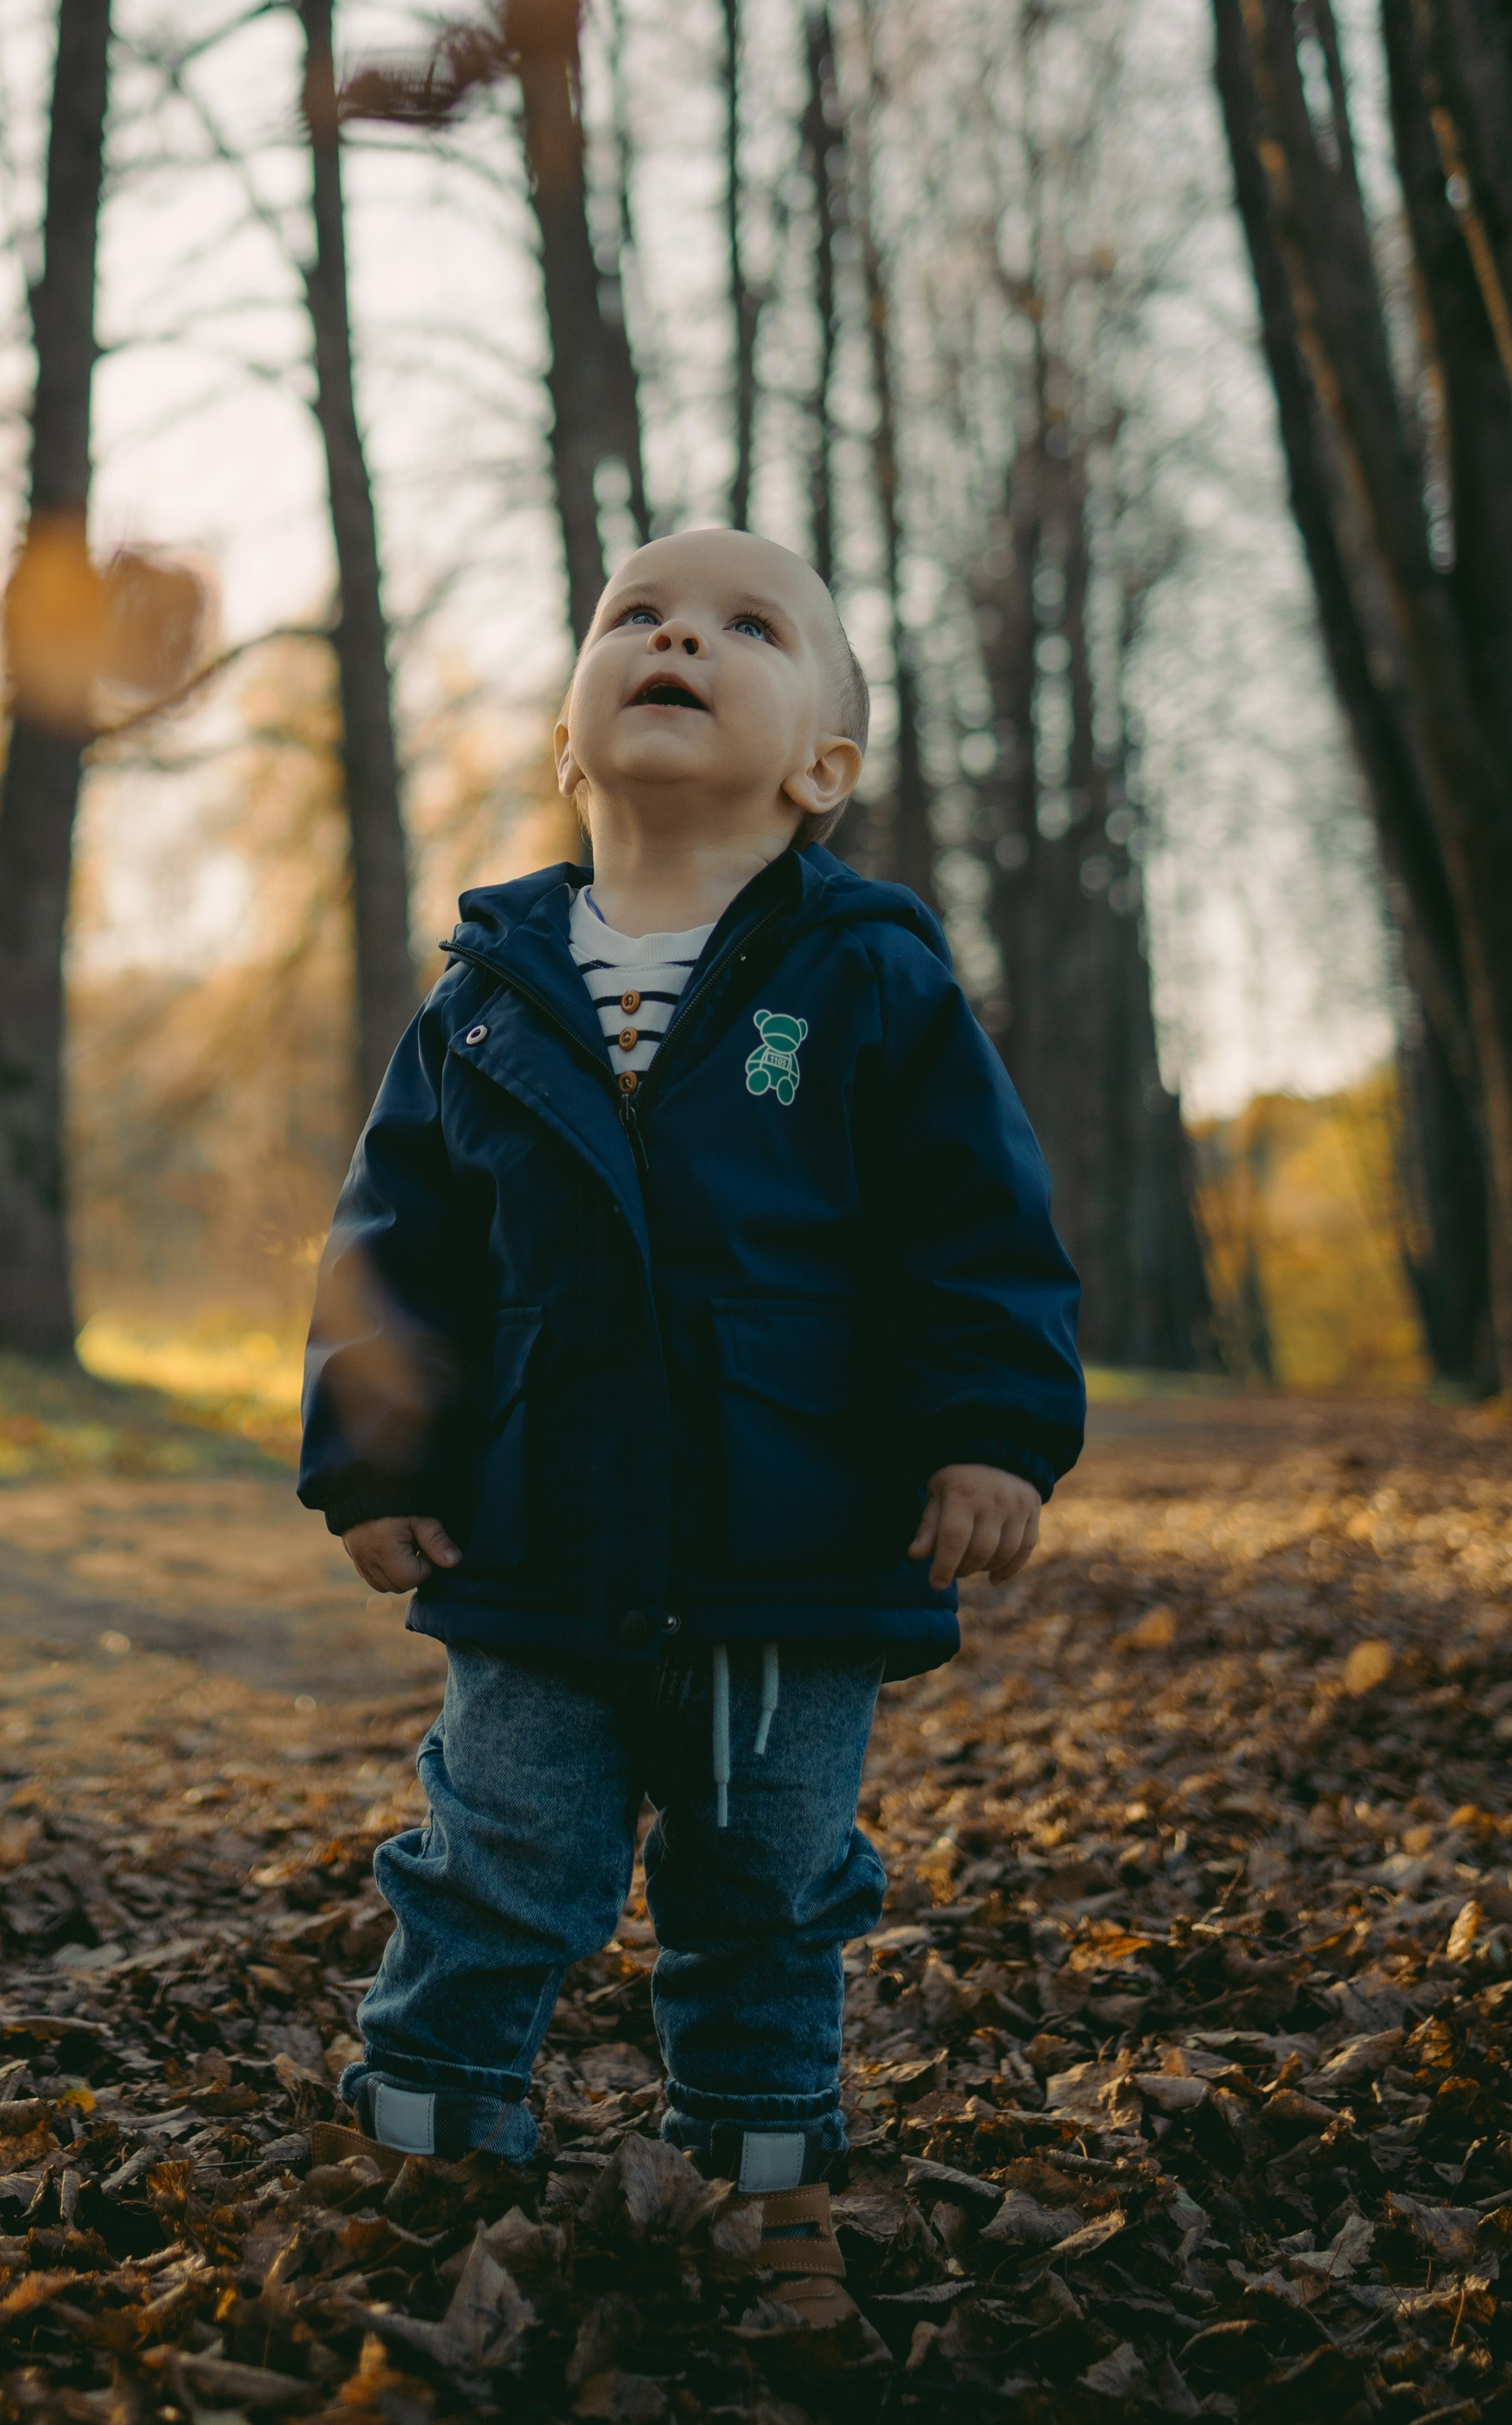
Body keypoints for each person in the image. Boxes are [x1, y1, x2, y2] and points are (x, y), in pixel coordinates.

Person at [296, 529, 1084, 2338]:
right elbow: (387, 1253)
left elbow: (975, 1235)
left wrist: (986, 1436)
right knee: (490, 1856)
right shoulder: (485, 995)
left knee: (764, 1883)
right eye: (631, 618)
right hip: (541, 1544)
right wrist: (376, 1459)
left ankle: (760, 2172)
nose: (675, 636)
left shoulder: (867, 981)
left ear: (819, 761)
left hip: (786, 1548)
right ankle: (435, 2133)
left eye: (744, 625)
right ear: (571, 736)